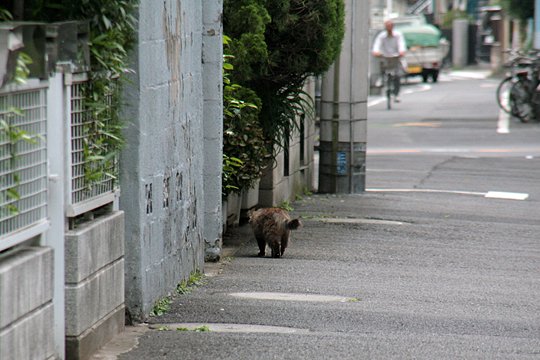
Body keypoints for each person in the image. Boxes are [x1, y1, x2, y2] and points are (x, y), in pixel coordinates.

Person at [372, 19, 407, 102]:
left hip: (395, 56)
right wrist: (376, 52)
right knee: (381, 65)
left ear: (393, 27)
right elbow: (377, 45)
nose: (389, 29)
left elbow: (401, 45)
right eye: (387, 27)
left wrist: (401, 52)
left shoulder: (398, 35)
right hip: (385, 57)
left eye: (390, 27)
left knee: (397, 74)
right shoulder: (381, 36)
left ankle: (396, 94)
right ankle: (380, 78)